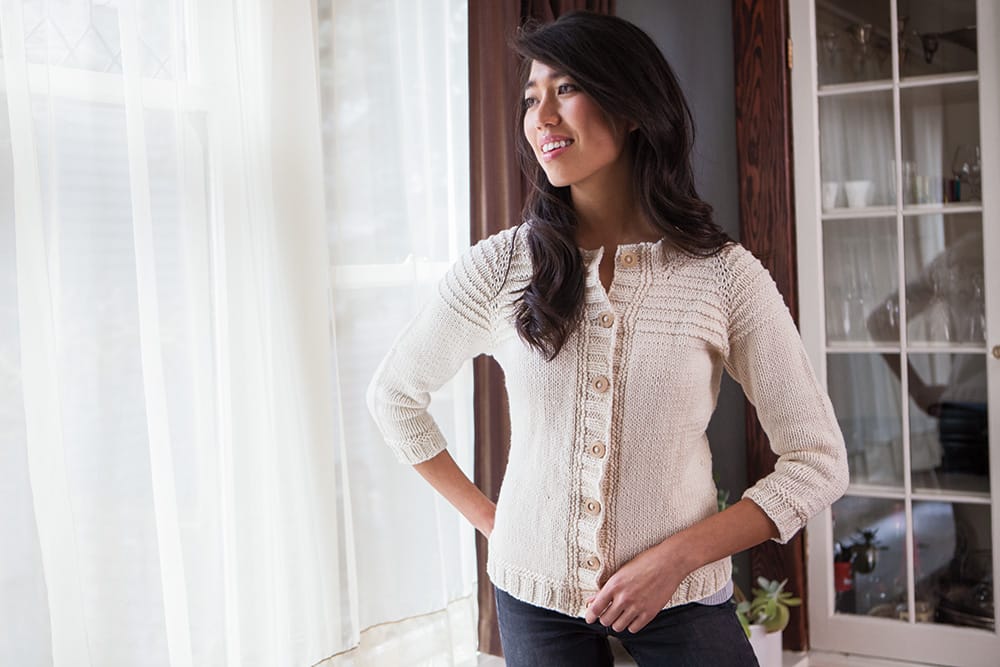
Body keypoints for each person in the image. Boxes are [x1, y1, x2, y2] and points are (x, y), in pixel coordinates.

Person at [367, 11, 848, 666]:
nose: (541, 115)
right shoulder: (502, 266)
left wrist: (677, 556)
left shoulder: (723, 277)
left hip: (679, 592)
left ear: (631, 109)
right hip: (531, 595)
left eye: (565, 89)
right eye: (531, 97)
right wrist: (496, 523)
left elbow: (817, 459)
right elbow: (395, 396)